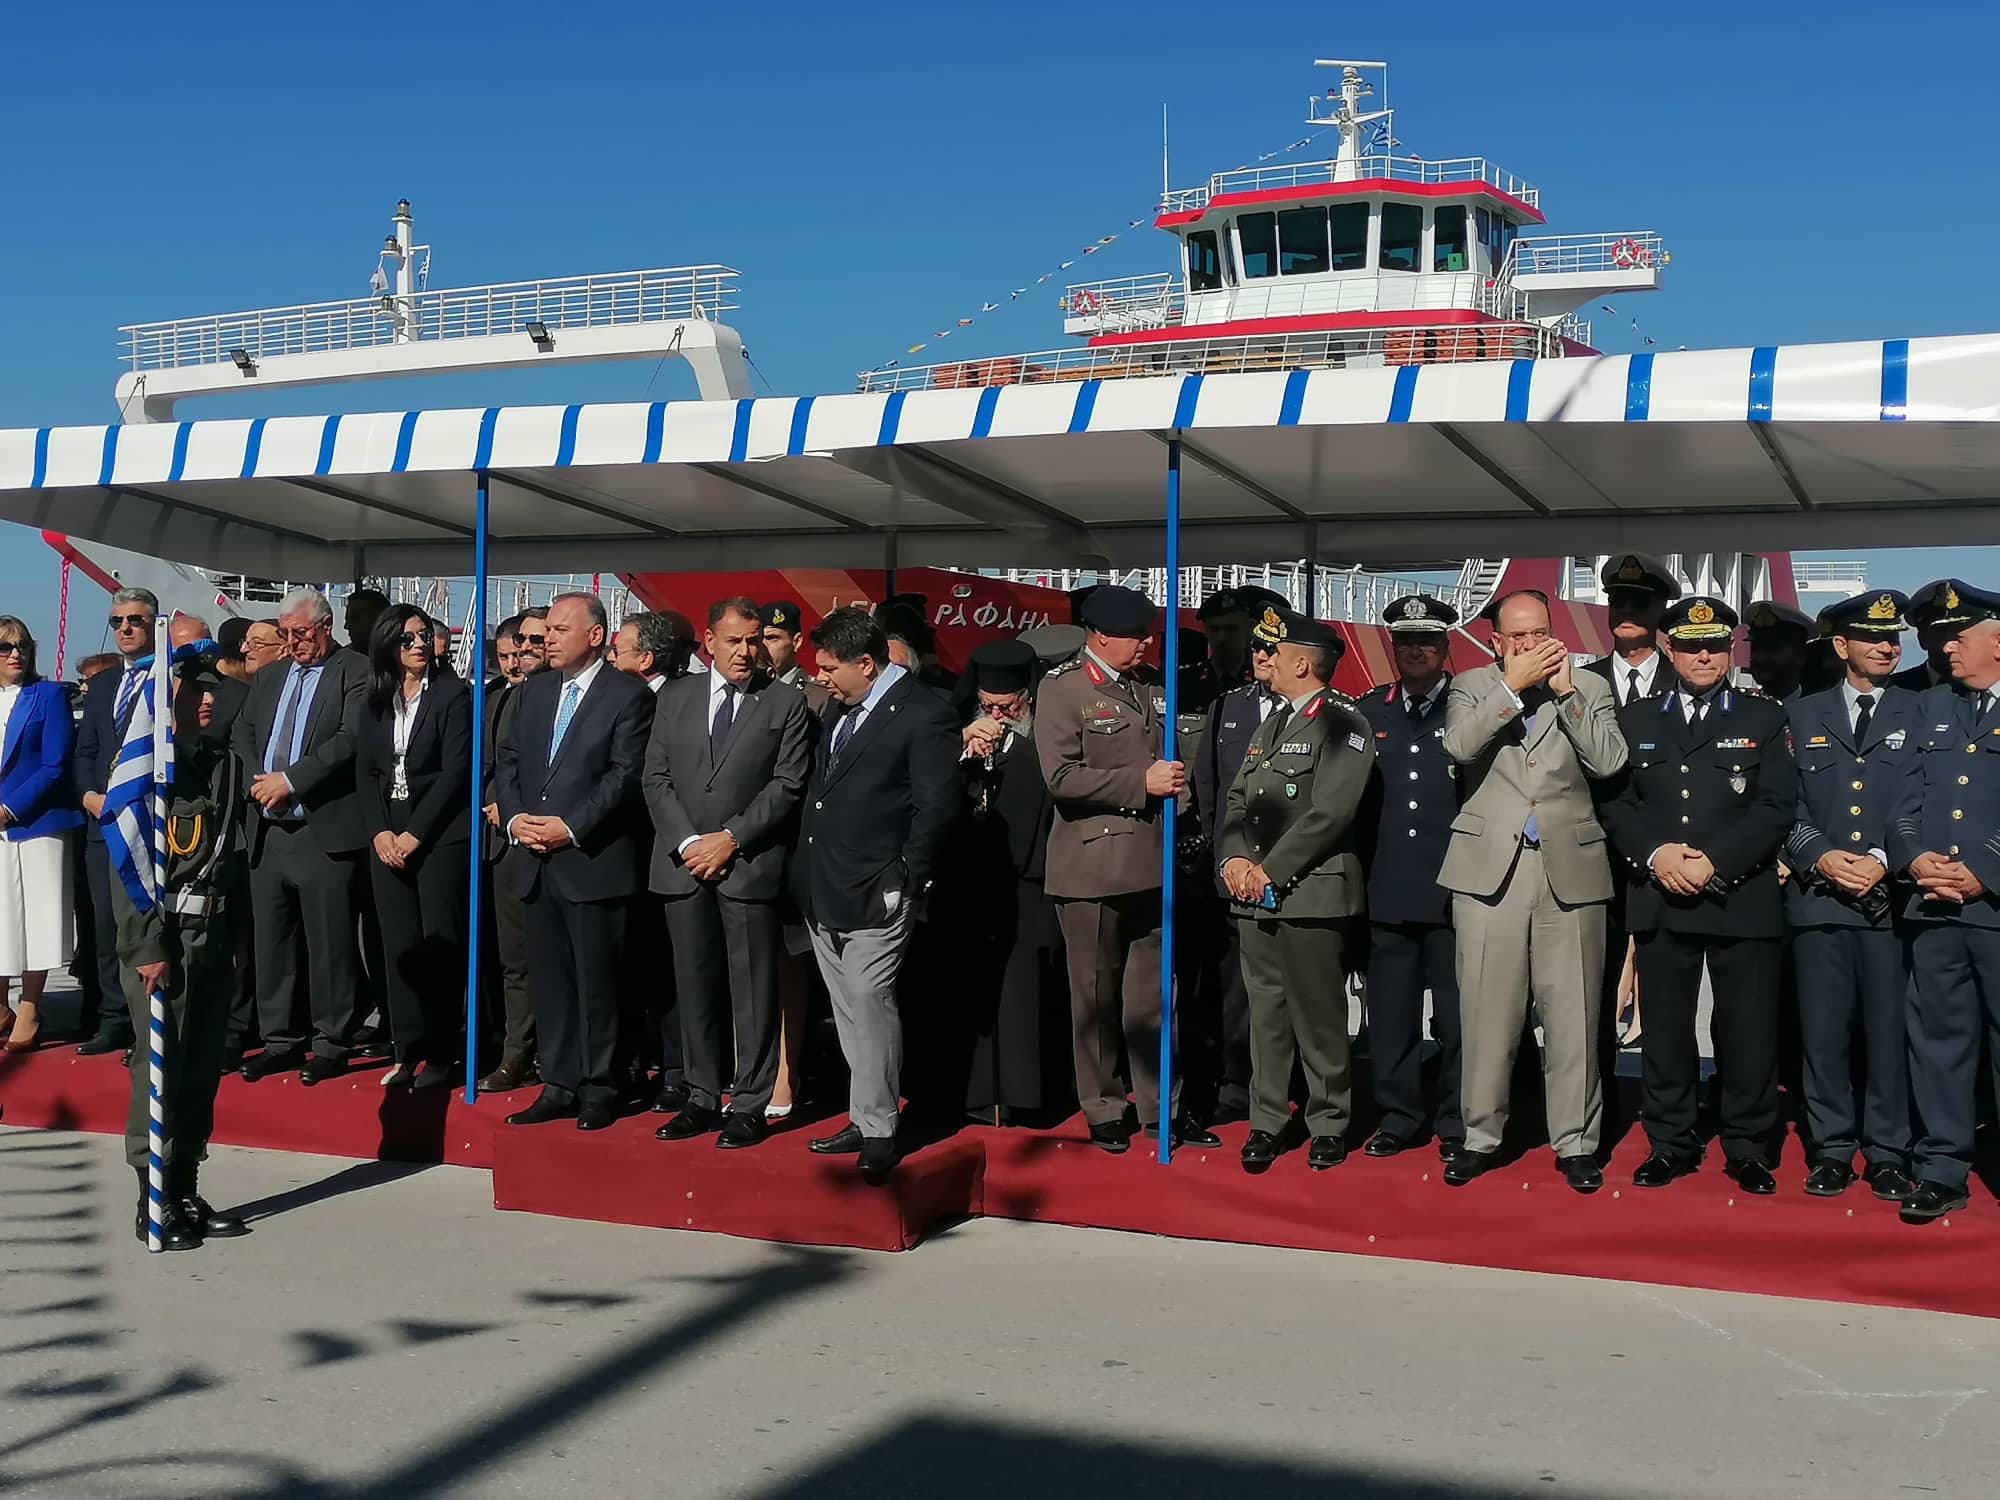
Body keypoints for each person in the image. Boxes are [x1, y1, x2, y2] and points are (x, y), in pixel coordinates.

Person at [1601, 596, 1797, 1194]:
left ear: (1730, 650)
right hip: (1662, 894)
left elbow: (1776, 806)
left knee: (1747, 1030)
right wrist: (1656, 855)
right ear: (1670, 650)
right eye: (1691, 646)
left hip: (1741, 895)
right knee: (1664, 1029)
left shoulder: (1764, 718)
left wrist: (1717, 862)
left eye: (1714, 646)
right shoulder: (1636, 719)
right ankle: (1670, 1141)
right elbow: (1616, 803)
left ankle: (1748, 1144)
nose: (1704, 656)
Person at [1439, 589, 1627, 1192]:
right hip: (1489, 868)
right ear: (1496, 641)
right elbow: (1459, 745)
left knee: (1574, 1012)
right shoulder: (1472, 685)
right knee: (1487, 1013)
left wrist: (1567, 695)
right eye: (1517, 636)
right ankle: (1480, 1135)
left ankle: (1576, 1141)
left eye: (1539, 633)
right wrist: (1512, 687)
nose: (1530, 644)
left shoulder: (1589, 686)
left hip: (1568, 866)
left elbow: (1609, 761)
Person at [1035, 584, 1219, 1154]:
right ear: (1098, 636)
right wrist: (1139, 783)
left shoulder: (1148, 687)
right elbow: (1061, 777)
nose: (1146, 644)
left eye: (1148, 635)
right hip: (1093, 865)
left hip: (1153, 861)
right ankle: (1103, 1105)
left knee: (1155, 997)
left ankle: (1164, 1105)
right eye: (1136, 636)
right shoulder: (1064, 689)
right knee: (1095, 996)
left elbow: (1170, 760)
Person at [791, 606, 959, 1177]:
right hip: (824, 884)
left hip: (878, 887)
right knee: (847, 1008)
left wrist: (907, 874)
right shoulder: (838, 709)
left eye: (829, 667)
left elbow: (936, 806)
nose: (821, 677)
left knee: (869, 998)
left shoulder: (924, 712)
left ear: (866, 663)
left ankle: (881, 1127)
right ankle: (865, 1115)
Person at [645, 597, 811, 1148]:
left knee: (753, 992)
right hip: (683, 864)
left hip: (747, 865)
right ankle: (699, 1096)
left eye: (754, 640)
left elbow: (787, 784)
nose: (746, 651)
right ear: (709, 642)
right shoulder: (676, 696)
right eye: (734, 640)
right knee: (694, 988)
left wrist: (731, 838)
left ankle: (748, 1103)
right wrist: (690, 843)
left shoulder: (785, 702)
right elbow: (656, 778)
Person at [111, 621, 252, 1250]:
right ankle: (153, 1195)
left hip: (210, 934)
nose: (207, 698)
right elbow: (129, 867)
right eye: (194, 689)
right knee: (159, 1066)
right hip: (163, 941)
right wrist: (146, 948)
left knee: (199, 1067)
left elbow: (228, 859)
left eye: (210, 688)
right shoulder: (147, 771)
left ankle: (186, 1184)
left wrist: (235, 935)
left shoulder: (222, 765)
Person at [1218, 606, 1374, 1171]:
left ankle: (1328, 1121)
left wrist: (1270, 870)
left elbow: (1330, 812)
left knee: (1317, 1015)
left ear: (1303, 664)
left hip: (1311, 894)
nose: (1264, 659)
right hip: (1254, 896)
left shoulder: (1343, 722)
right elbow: (1238, 798)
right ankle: (1266, 1121)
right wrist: (1235, 857)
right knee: (1266, 1016)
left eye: (1274, 652)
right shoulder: (1272, 723)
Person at [496, 592, 653, 1131]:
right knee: (551, 980)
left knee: (597, 982)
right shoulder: (535, 691)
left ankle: (600, 1085)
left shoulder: (628, 696)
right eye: (546, 632)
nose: (548, 640)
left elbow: (625, 775)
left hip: (592, 861)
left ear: (595, 635)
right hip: (535, 859)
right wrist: (515, 819)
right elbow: (509, 761)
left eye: (560, 630)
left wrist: (570, 826)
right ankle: (558, 1082)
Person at [1783, 590, 1919, 1201]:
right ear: (1841, 647)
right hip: (1819, 899)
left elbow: (1925, 798)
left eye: (1893, 638)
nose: (1887, 647)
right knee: (1823, 1034)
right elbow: (1783, 804)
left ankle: (1888, 1151)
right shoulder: (1801, 715)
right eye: (1872, 637)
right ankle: (1832, 1148)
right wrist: (1819, 855)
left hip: (1890, 901)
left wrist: (1884, 859)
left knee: (1888, 1035)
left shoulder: (1922, 711)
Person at [1888, 579, 2000, 1224]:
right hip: (1933, 905)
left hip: (1993, 905)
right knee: (1937, 1041)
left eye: (1959, 635)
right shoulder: (1927, 707)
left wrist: (1986, 868)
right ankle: (1941, 1168)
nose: (1945, 646)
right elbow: (1901, 799)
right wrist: (1913, 857)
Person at [230, 587, 371, 1084]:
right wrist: (259, 783)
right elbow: (242, 732)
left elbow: (350, 739)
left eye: (301, 633)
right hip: (268, 827)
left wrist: (290, 781)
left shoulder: (355, 671)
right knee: (273, 941)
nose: (292, 642)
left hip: (321, 825)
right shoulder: (270, 675)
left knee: (330, 941)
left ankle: (332, 1040)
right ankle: (279, 1039)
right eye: (285, 633)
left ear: (326, 627)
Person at [931, 638, 1066, 1123]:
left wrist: (1012, 750)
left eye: (1007, 707)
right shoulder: (958, 739)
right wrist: (962, 750)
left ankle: (1022, 1096)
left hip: (1025, 885)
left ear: (1025, 701)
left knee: (1021, 993)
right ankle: (974, 1093)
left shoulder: (1039, 742)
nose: (997, 715)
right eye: (988, 706)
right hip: (966, 884)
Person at [1354, 595, 1465, 1160]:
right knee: (1392, 1017)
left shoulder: (1470, 709)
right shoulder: (1368, 712)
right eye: (1404, 641)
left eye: (1426, 641)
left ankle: (1457, 1120)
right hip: (1388, 888)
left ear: (1445, 647)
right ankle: (1398, 1116)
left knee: (1458, 1020)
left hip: (1455, 892)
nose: (1415, 650)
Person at [356, 605, 472, 1088]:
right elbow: (366, 771)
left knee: (440, 946)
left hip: (439, 834)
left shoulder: (452, 694)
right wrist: (380, 831)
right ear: (388, 644)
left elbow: (456, 772)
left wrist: (414, 835)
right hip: (388, 831)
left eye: (423, 636)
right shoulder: (375, 699)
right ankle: (407, 1049)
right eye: (407, 639)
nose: (419, 644)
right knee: (398, 944)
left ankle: (443, 1052)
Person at [1186, 618, 1289, 1123]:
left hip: (1292, 869)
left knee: (1292, 986)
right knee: (1235, 987)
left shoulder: (1319, 711)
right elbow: (1208, 787)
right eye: (1257, 649)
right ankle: (1236, 1081)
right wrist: (1222, 855)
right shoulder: (1228, 707)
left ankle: (1290, 1079)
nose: (1262, 658)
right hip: (1233, 870)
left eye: (1272, 649)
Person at [72, 587, 161, 1058]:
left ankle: (149, 1021)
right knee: (105, 926)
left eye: (135, 620)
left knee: (145, 925)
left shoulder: (166, 678)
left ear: (153, 624)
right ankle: (114, 1019)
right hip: (101, 823)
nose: (125, 629)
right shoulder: (105, 684)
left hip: (149, 823)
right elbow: (85, 750)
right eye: (117, 621)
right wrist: (89, 796)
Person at [609, 608, 690, 1110]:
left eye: (618, 649)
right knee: (629, 966)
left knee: (669, 969)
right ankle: (633, 1062)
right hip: (621, 856)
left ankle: (678, 1070)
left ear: (645, 658)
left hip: (670, 852)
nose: (609, 657)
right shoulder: (612, 699)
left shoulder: (681, 699)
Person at [0, 618, 81, 1054]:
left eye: (22, 646)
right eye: (5, 647)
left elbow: (55, 764)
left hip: (37, 823)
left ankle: (30, 1007)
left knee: (39, 917)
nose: (15, 654)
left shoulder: (48, 696)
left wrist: (8, 809)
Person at [476, 614, 541, 1093]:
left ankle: (526, 1051)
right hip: (495, 846)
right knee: (508, 957)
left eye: (520, 653)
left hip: (535, 836)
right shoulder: (493, 698)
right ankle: (510, 1047)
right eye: (504, 656)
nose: (514, 663)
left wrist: (510, 803)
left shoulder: (543, 697)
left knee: (531, 959)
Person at [1584, 554, 1683, 708]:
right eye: (1618, 601)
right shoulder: (1584, 681)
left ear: (1661, 609)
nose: (1627, 610)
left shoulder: (1682, 681)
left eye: (1639, 602)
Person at [1744, 601, 1815, 703]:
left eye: (1772, 648)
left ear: (1801, 655)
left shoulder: (1818, 710)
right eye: (1756, 648)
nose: (1760, 657)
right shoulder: (1743, 709)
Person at [344, 586, 391, 656]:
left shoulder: (401, 657)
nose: (346, 626)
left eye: (354, 618)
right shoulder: (342, 658)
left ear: (378, 620)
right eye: (347, 620)